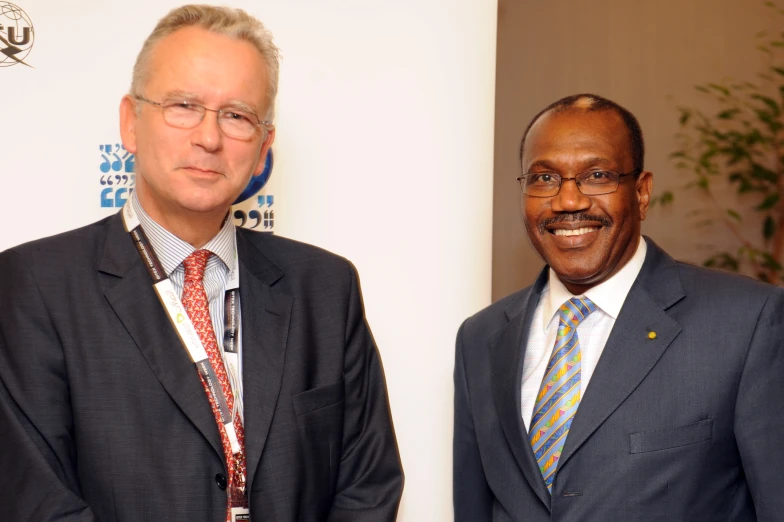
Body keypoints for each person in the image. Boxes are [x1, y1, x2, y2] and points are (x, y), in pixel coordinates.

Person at [0, 5, 402, 521]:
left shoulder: (326, 289)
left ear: (263, 149)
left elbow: (368, 487)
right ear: (131, 122)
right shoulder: (32, 288)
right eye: (183, 105)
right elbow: (37, 502)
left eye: (236, 115)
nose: (209, 138)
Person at [453, 93, 784, 521]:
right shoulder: (480, 338)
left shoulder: (747, 323)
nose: (568, 201)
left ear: (642, 193)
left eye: (596, 175)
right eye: (544, 178)